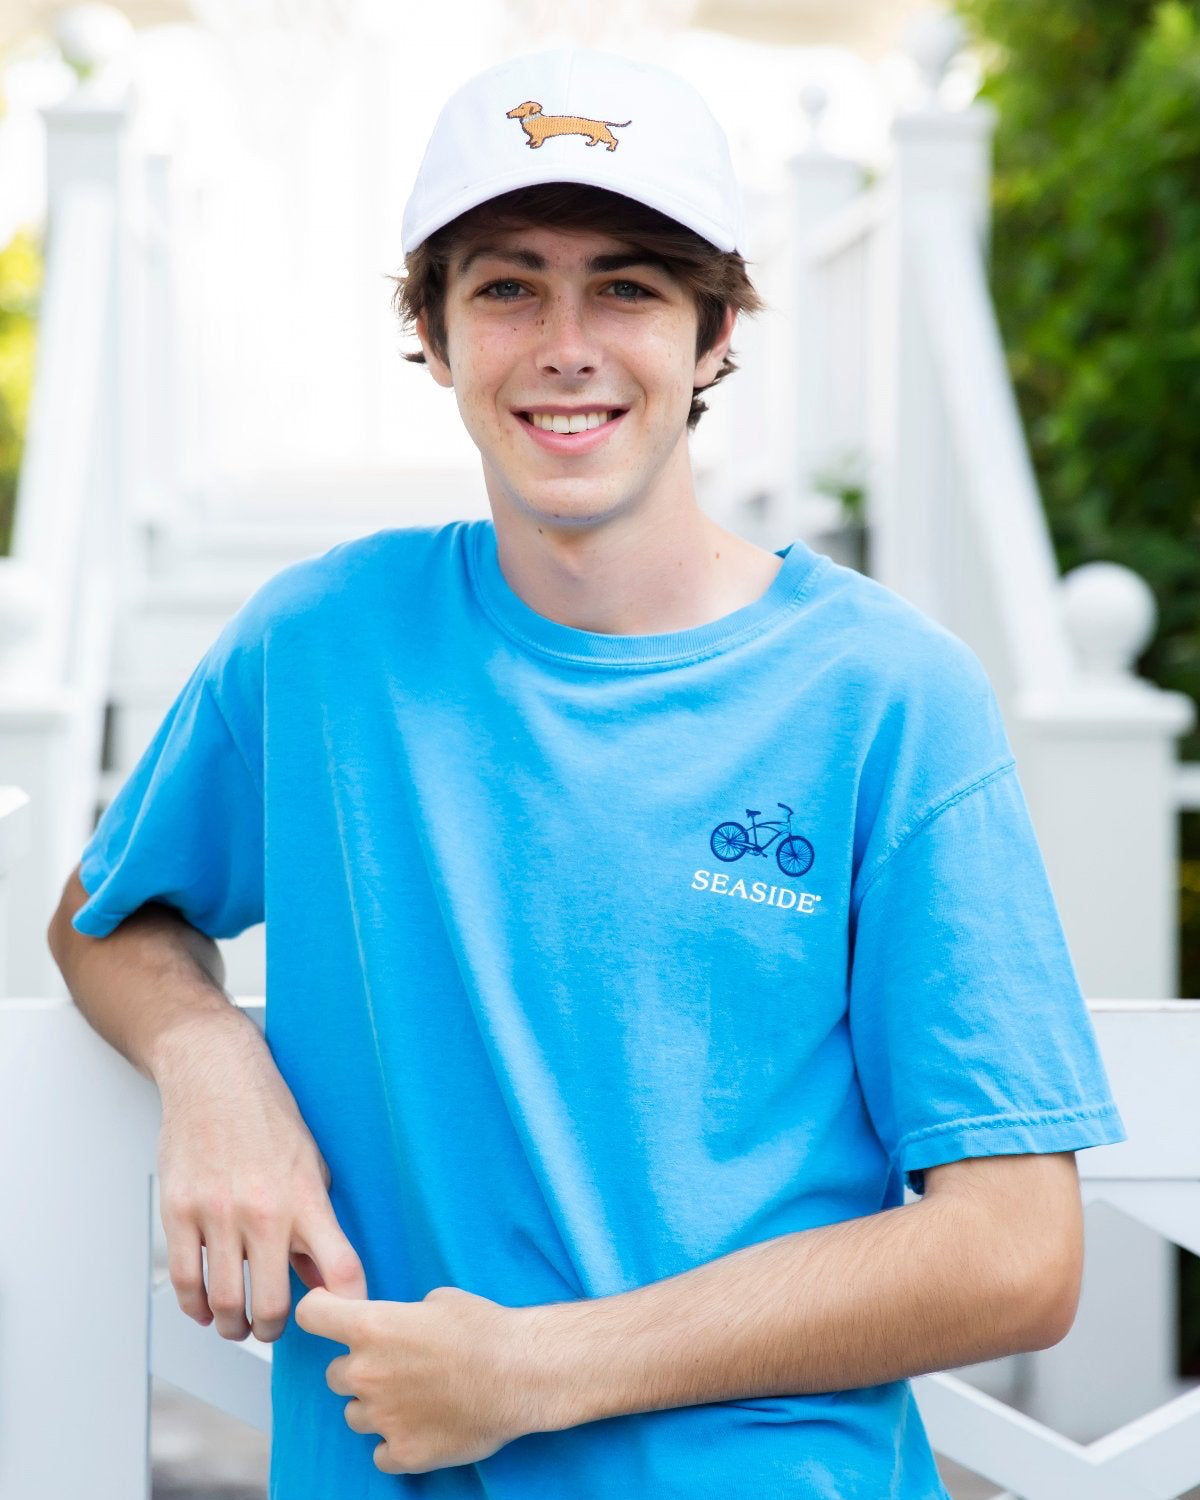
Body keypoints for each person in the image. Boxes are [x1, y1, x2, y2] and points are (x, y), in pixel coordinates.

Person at [47, 44, 1127, 1500]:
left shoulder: (885, 694)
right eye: (505, 285)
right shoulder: (323, 646)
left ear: (715, 329)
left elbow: (1017, 1253)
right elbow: (103, 914)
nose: (567, 344)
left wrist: (539, 1371)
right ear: (430, 329)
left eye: (627, 285)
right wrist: (209, 1058)